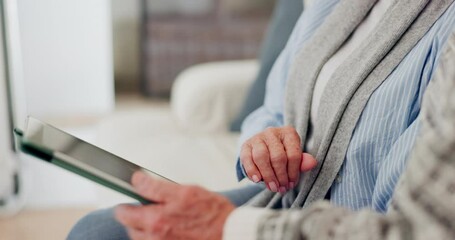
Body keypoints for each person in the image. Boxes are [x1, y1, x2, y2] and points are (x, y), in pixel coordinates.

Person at [68, 0, 455, 239]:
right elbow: (273, 107)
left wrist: (227, 229)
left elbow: (405, 220)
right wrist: (263, 142)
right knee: (97, 230)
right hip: (284, 201)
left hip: (339, 226)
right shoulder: (336, 5)